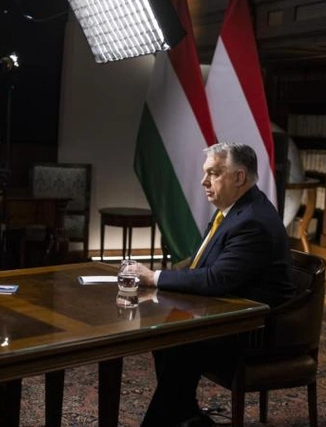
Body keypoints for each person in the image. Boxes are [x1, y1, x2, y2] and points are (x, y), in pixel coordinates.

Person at [125, 142, 295, 427]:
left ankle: (165, 420)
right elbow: (201, 264)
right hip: (231, 313)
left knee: (178, 341)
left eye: (213, 173)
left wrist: (155, 278)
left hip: (258, 330)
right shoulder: (233, 210)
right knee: (165, 333)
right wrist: (161, 278)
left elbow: (216, 279)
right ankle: (186, 414)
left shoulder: (252, 221)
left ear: (239, 177)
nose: (204, 181)